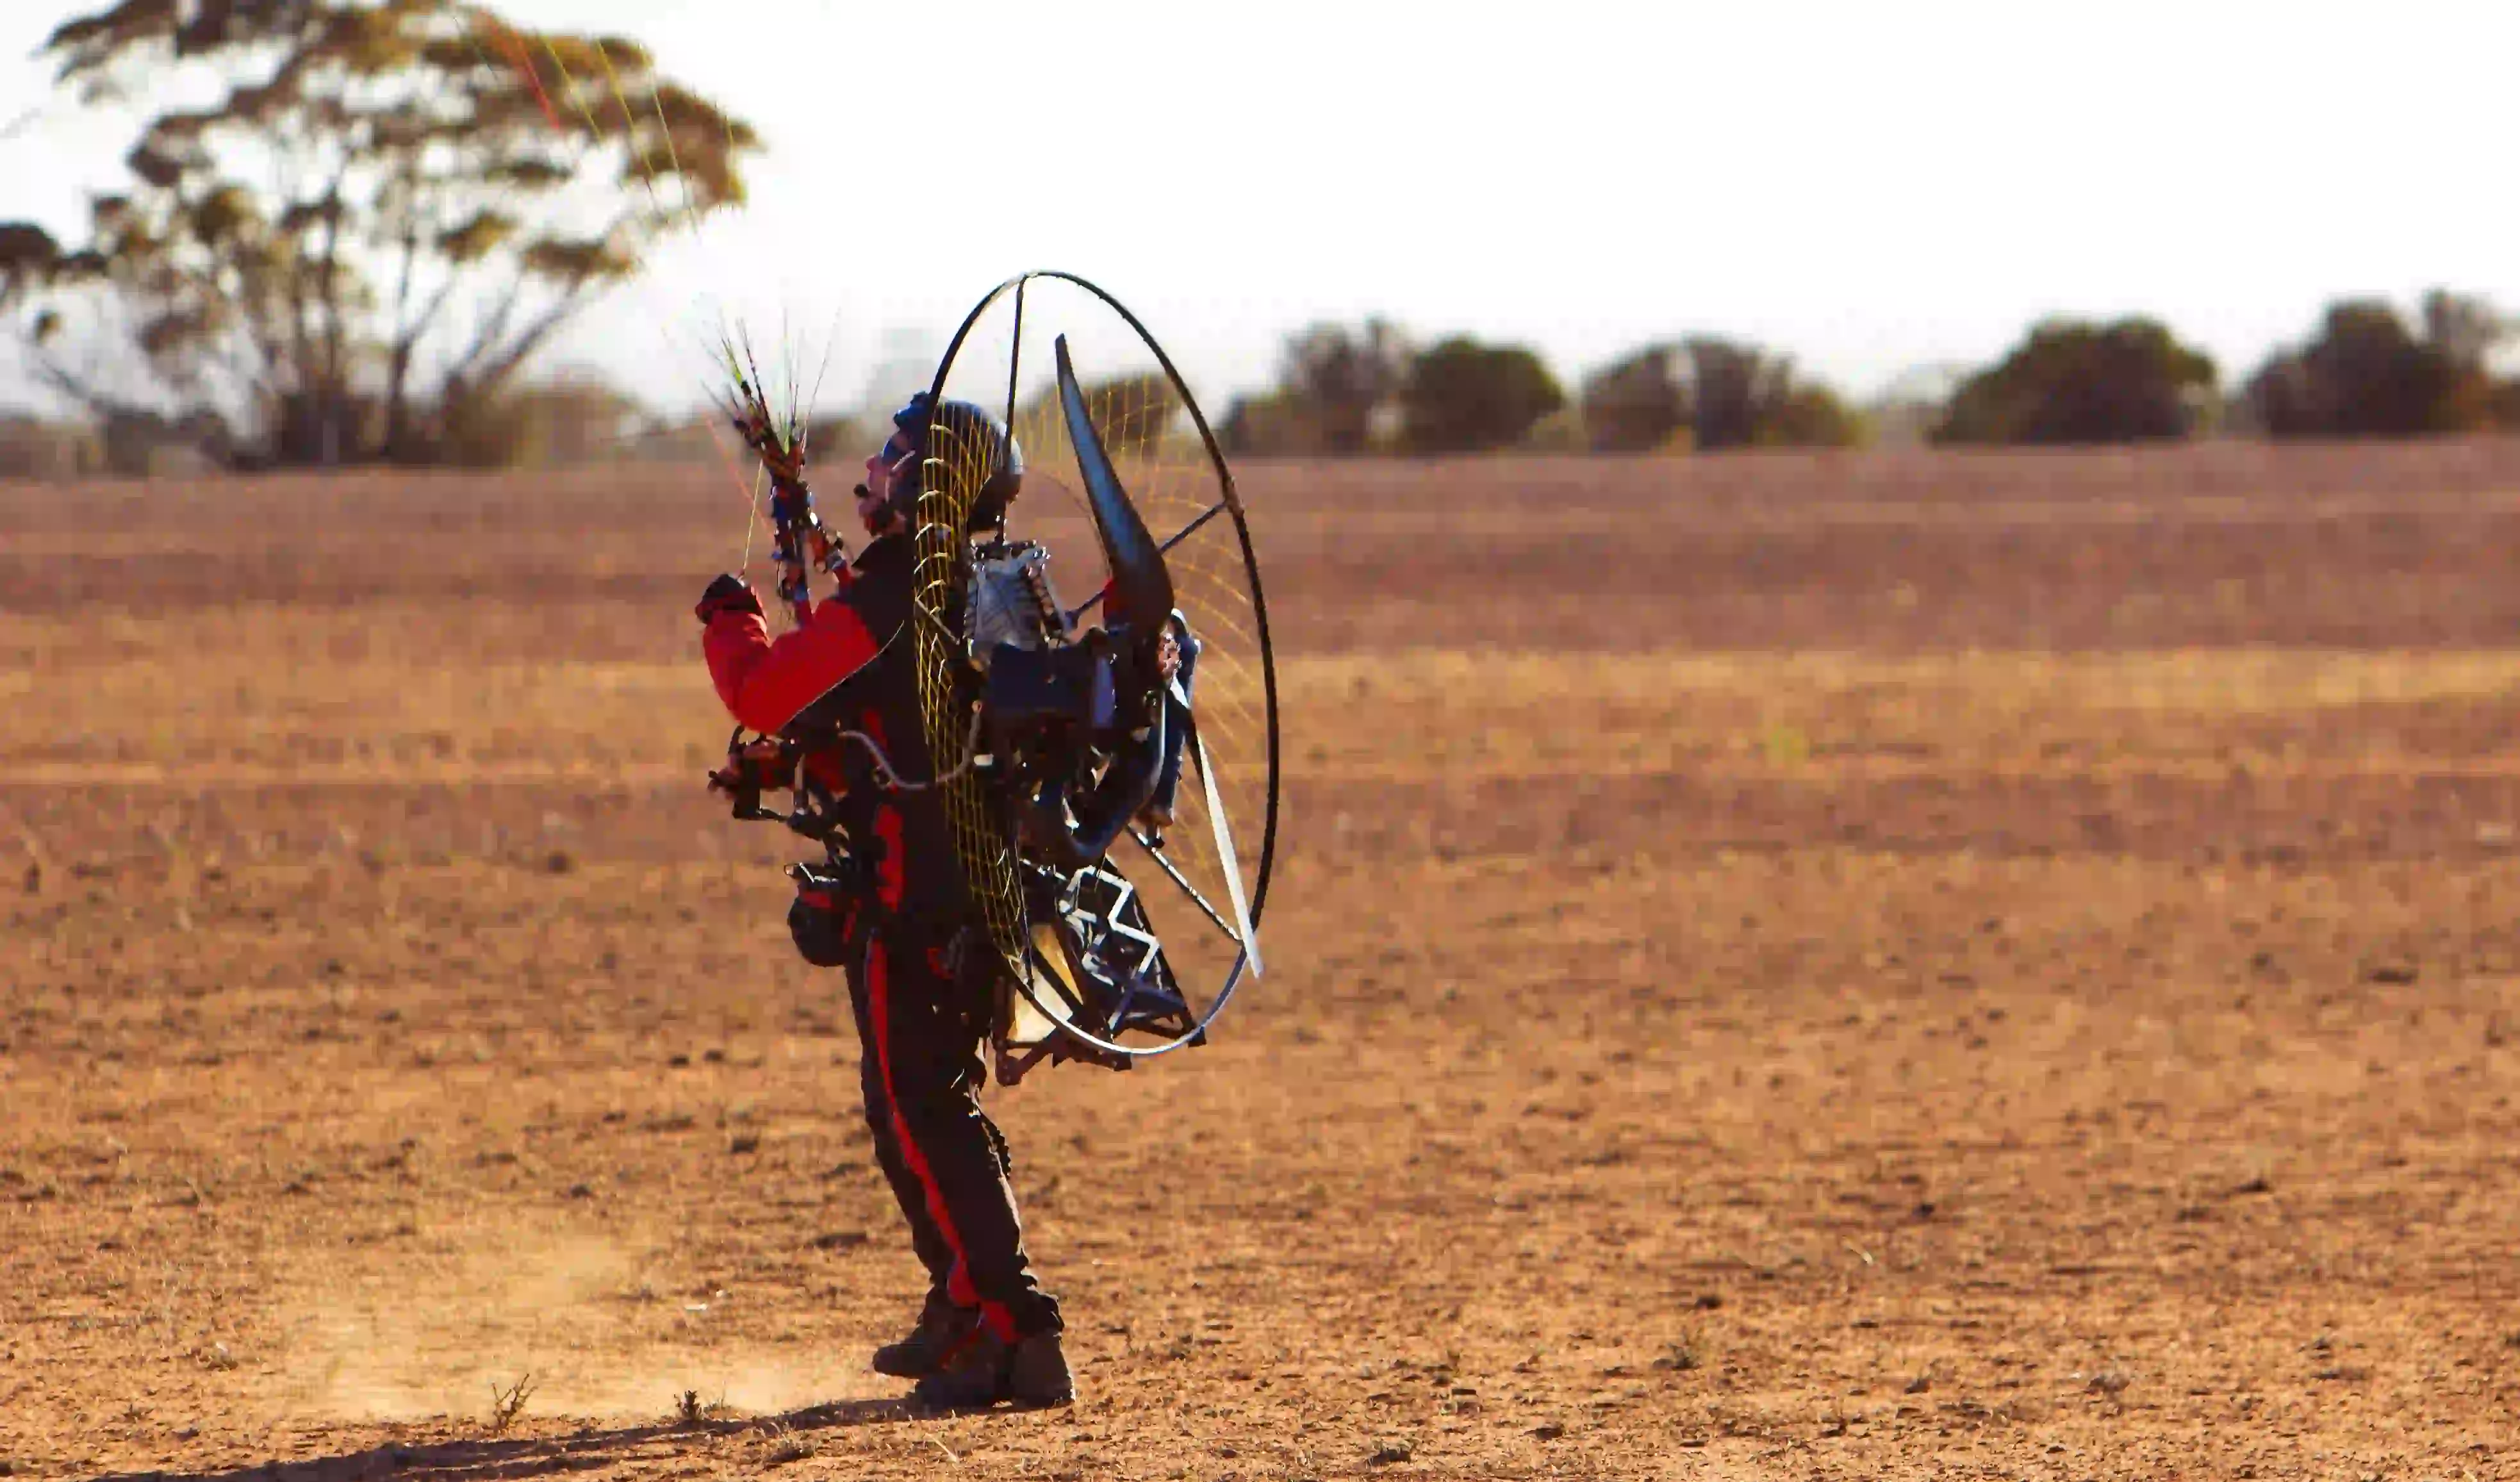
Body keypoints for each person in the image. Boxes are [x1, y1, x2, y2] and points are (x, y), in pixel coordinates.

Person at [694, 393, 1072, 1410]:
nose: (870, 477)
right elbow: (877, 720)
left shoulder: (896, 591)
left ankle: (1012, 1332)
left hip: (919, 902)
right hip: (973, 887)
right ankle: (964, 1311)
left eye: (888, 463)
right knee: (914, 1103)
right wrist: (777, 774)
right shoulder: (981, 585)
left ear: (918, 484)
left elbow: (767, 692)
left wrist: (730, 620)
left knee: (923, 1107)